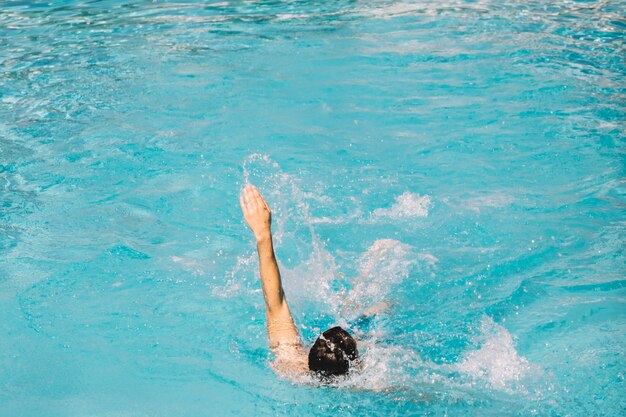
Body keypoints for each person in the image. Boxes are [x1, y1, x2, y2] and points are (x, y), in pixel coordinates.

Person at [239, 185, 359, 378]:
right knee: (371, 311)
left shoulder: (289, 365)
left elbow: (275, 304)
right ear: (357, 366)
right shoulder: (372, 385)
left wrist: (263, 234)